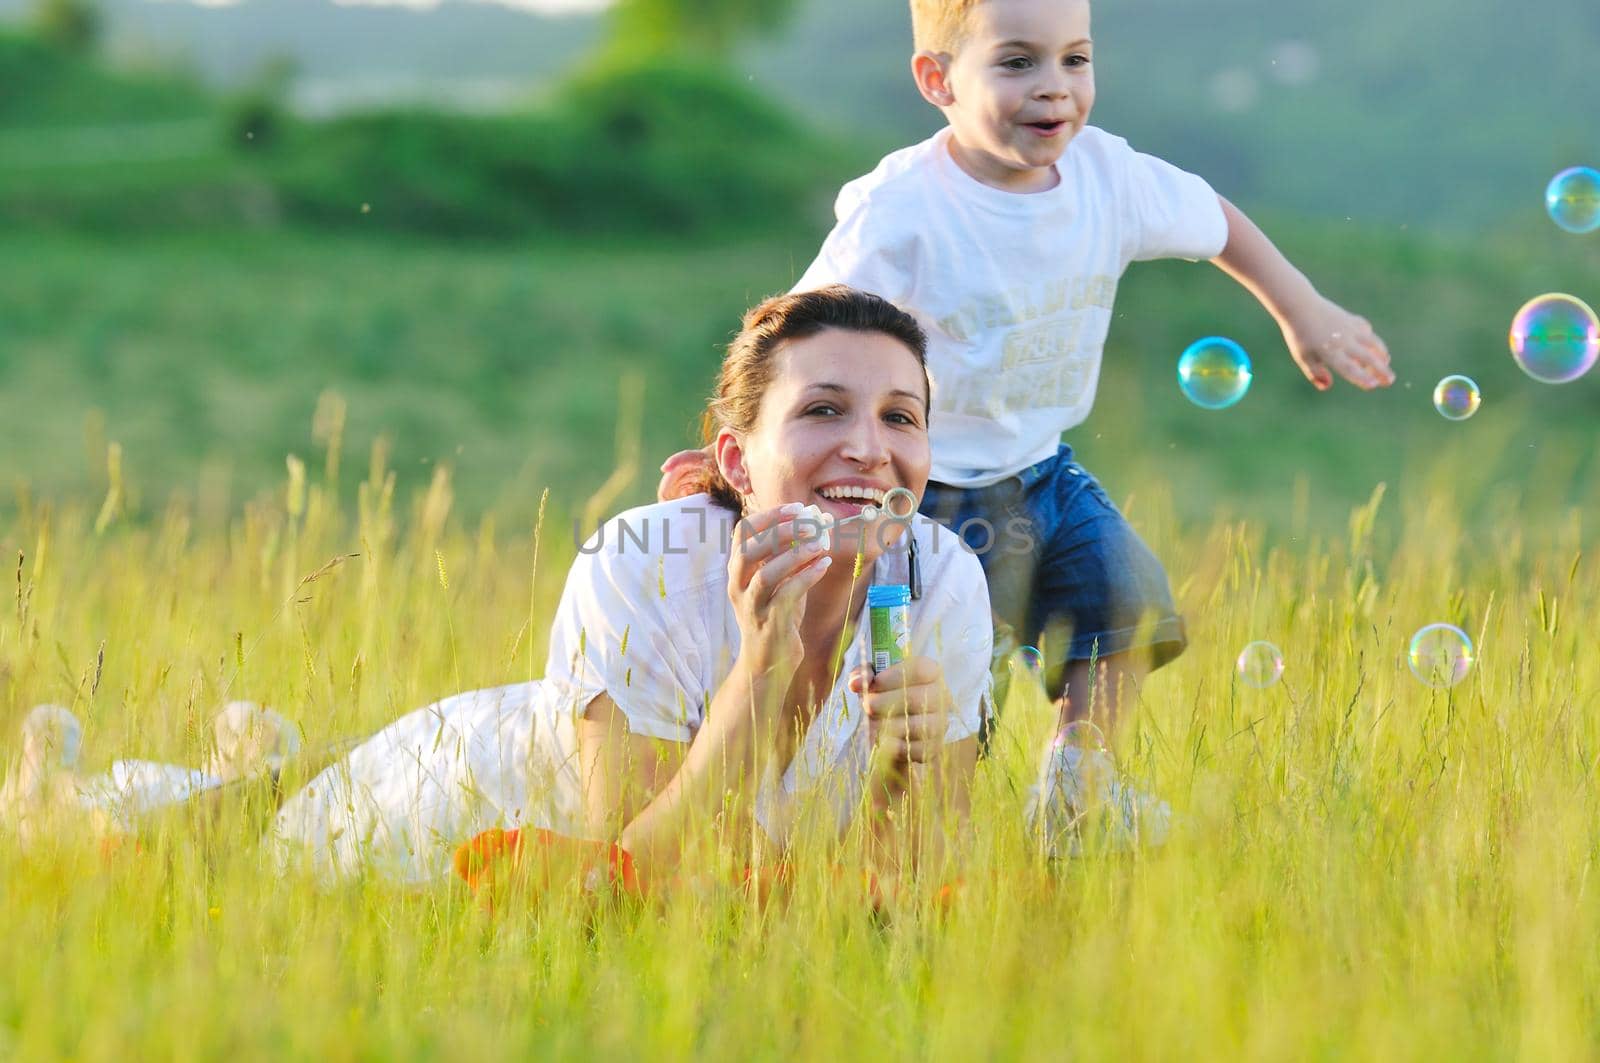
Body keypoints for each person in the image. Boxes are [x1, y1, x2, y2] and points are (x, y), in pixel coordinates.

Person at [658, 0, 1396, 856]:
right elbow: (793, 339)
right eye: (1017, 64)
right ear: (938, 80)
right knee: (944, 693)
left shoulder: (1108, 177)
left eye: (1074, 60)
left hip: (1042, 467)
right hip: (915, 496)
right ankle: (886, 855)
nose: (1055, 89)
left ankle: (1078, 781)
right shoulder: (902, 210)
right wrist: (737, 456)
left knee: (1124, 598)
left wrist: (1302, 310)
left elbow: (1217, 221)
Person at [271, 286, 993, 891]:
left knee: (260, 772)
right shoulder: (641, 561)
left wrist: (903, 773)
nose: (869, 449)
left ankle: (267, 751)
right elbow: (631, 877)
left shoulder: (944, 582)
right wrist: (759, 670)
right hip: (429, 818)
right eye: (823, 410)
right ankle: (265, 763)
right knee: (207, 813)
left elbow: (906, 896)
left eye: (900, 416)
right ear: (739, 464)